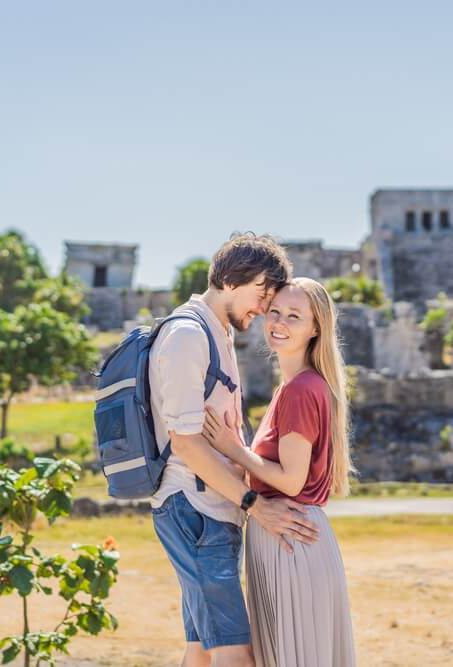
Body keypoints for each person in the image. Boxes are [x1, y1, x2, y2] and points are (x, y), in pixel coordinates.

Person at [148, 234, 320, 667]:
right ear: (229, 279)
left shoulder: (216, 333)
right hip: (195, 508)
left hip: (208, 507)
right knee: (236, 653)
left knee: (202, 651)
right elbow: (186, 442)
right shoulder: (189, 335)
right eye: (262, 293)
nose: (264, 308)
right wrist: (254, 504)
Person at [202, 277, 356, 666]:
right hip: (288, 535)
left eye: (294, 316)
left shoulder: (302, 389)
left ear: (315, 327)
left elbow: (290, 480)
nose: (279, 323)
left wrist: (232, 448)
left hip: (290, 539)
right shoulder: (293, 387)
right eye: (274, 312)